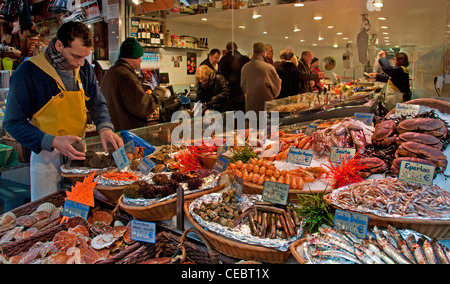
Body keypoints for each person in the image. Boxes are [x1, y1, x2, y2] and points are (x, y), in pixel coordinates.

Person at [3, 21, 123, 200]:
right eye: (76, 56)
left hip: (80, 156)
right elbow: (12, 123)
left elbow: (97, 103)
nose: (81, 63)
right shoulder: (29, 71)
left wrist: (105, 127)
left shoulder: (84, 68)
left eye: (85, 57)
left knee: (80, 213)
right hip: (46, 158)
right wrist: (51, 141)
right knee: (48, 212)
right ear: (59, 45)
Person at [100, 37, 165, 132]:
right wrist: (160, 92)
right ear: (133, 57)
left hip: (115, 131)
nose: (141, 61)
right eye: (139, 57)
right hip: (127, 134)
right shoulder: (127, 76)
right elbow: (143, 107)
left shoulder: (111, 72)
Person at [241, 42, 281, 114]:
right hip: (267, 106)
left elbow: (243, 87)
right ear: (264, 52)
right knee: (269, 125)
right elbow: (277, 89)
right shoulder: (268, 67)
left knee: (253, 125)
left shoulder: (245, 67)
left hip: (250, 106)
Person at [218, 41, 250, 112]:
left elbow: (220, 78)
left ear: (226, 49)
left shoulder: (223, 60)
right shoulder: (245, 59)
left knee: (230, 119)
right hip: (242, 94)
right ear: (237, 48)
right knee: (241, 117)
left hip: (229, 95)